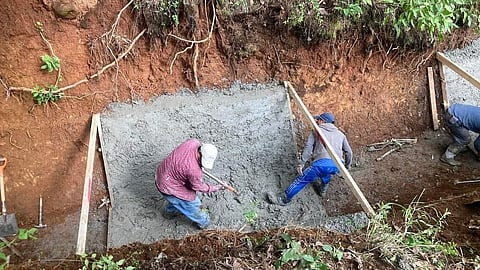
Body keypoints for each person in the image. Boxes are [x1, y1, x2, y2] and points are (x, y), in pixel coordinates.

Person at [276, 112, 353, 205]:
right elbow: (349, 152)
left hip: (320, 164)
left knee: (301, 180)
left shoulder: (316, 131)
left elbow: (308, 147)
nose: (316, 121)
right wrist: (346, 167)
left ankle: (284, 199)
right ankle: (322, 191)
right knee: (327, 172)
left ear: (323, 121)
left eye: (318, 120)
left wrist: (301, 163)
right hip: (336, 165)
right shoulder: (341, 135)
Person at [155, 138, 224, 229]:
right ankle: (204, 222)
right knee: (193, 204)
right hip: (168, 186)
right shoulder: (194, 171)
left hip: (163, 173)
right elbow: (197, 187)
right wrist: (216, 187)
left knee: (176, 200)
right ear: (200, 153)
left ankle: (169, 212)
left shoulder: (193, 142)